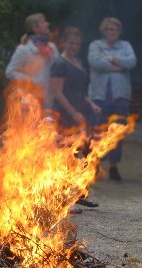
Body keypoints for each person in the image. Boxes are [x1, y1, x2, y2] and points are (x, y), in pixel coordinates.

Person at [88, 17, 137, 181]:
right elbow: (95, 63)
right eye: (109, 29)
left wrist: (111, 59)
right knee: (98, 132)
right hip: (99, 97)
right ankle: (94, 164)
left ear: (119, 32)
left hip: (120, 98)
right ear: (103, 31)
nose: (112, 32)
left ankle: (113, 167)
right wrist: (118, 66)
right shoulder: (96, 45)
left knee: (117, 133)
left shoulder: (125, 46)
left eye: (115, 29)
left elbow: (131, 62)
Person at [5, 13, 59, 111]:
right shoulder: (24, 49)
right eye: (44, 22)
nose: (48, 24)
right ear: (35, 28)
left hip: (48, 99)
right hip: (29, 99)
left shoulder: (52, 48)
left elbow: (57, 72)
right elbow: (10, 72)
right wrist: (31, 81)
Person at [51, 27, 101, 132]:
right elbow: (58, 93)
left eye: (77, 44)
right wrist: (73, 113)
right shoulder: (60, 64)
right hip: (64, 114)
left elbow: (79, 91)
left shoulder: (78, 62)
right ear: (64, 43)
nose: (74, 46)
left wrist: (92, 104)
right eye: (71, 43)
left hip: (80, 112)